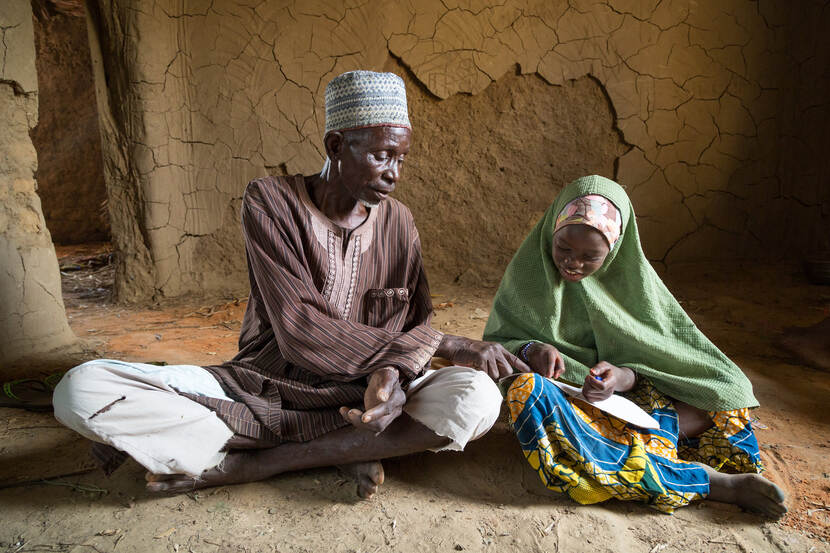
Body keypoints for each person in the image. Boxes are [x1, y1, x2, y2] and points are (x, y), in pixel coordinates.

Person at [52, 70, 529, 498]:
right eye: (383, 156)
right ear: (336, 146)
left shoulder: (399, 222)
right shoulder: (270, 201)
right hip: (262, 387)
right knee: (81, 388)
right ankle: (344, 447)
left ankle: (259, 463)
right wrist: (442, 345)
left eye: (402, 159)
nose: (394, 174)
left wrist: (394, 379)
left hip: (364, 395)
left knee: (477, 399)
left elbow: (415, 324)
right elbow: (300, 326)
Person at [483, 175, 787, 516]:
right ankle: (709, 481)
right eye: (563, 248)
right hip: (575, 409)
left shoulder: (636, 288)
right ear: (550, 232)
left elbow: (658, 359)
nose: (573, 263)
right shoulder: (529, 275)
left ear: (614, 252)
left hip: (636, 406)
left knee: (729, 392)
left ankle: (632, 447)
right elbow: (498, 343)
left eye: (590, 257)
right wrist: (531, 349)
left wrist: (620, 377)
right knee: (527, 391)